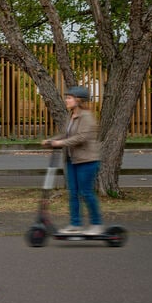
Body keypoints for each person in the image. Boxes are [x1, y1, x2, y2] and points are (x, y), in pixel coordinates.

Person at [42, 85, 103, 235]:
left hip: (87, 161)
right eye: (67, 98)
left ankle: (97, 225)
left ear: (79, 100)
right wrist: (51, 140)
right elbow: (66, 135)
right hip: (72, 160)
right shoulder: (71, 116)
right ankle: (75, 224)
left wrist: (60, 143)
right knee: (73, 193)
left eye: (69, 98)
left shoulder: (86, 117)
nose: (66, 100)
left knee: (86, 192)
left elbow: (81, 137)